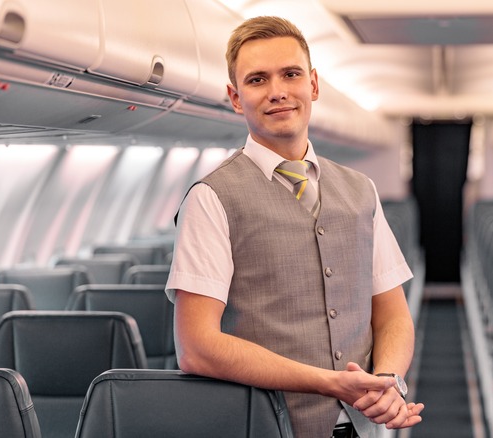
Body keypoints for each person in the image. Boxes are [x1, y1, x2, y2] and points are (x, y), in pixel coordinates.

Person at [165, 15, 424, 438]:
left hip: (359, 431)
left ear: (314, 85)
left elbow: (393, 314)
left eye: (290, 74)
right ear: (235, 97)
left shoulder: (361, 191)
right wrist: (328, 382)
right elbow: (197, 348)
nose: (278, 91)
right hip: (262, 427)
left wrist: (388, 382)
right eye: (257, 80)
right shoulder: (210, 198)